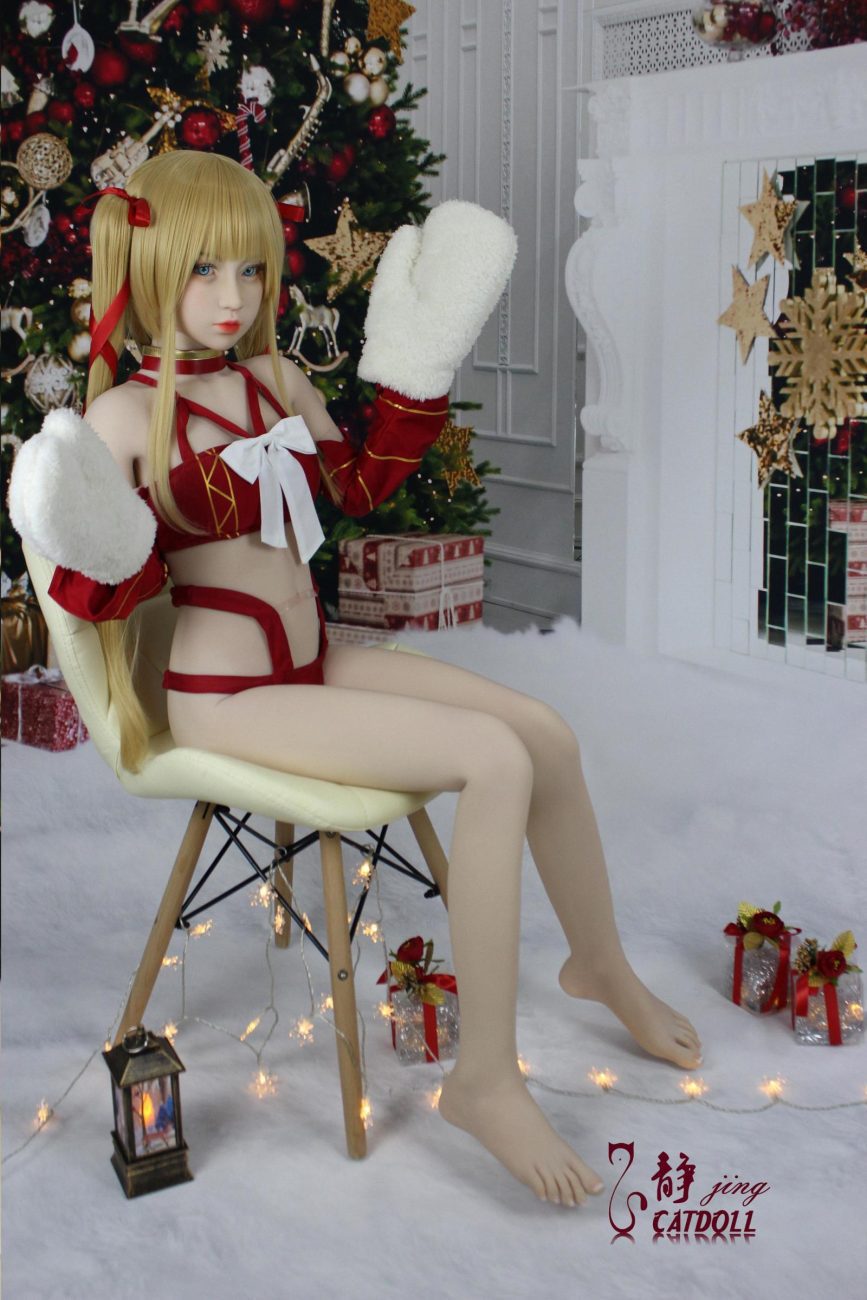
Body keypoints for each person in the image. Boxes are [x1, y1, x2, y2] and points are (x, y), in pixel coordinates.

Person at [10, 151, 701, 1208]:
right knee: (492, 759)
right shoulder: (119, 422)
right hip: (226, 698)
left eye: (251, 269)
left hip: (311, 659)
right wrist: (99, 543)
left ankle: (596, 962)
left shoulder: (276, 380)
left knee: (544, 730)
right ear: (145, 269)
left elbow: (360, 485)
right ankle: (484, 1077)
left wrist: (417, 363)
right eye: (203, 271)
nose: (234, 297)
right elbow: (106, 594)